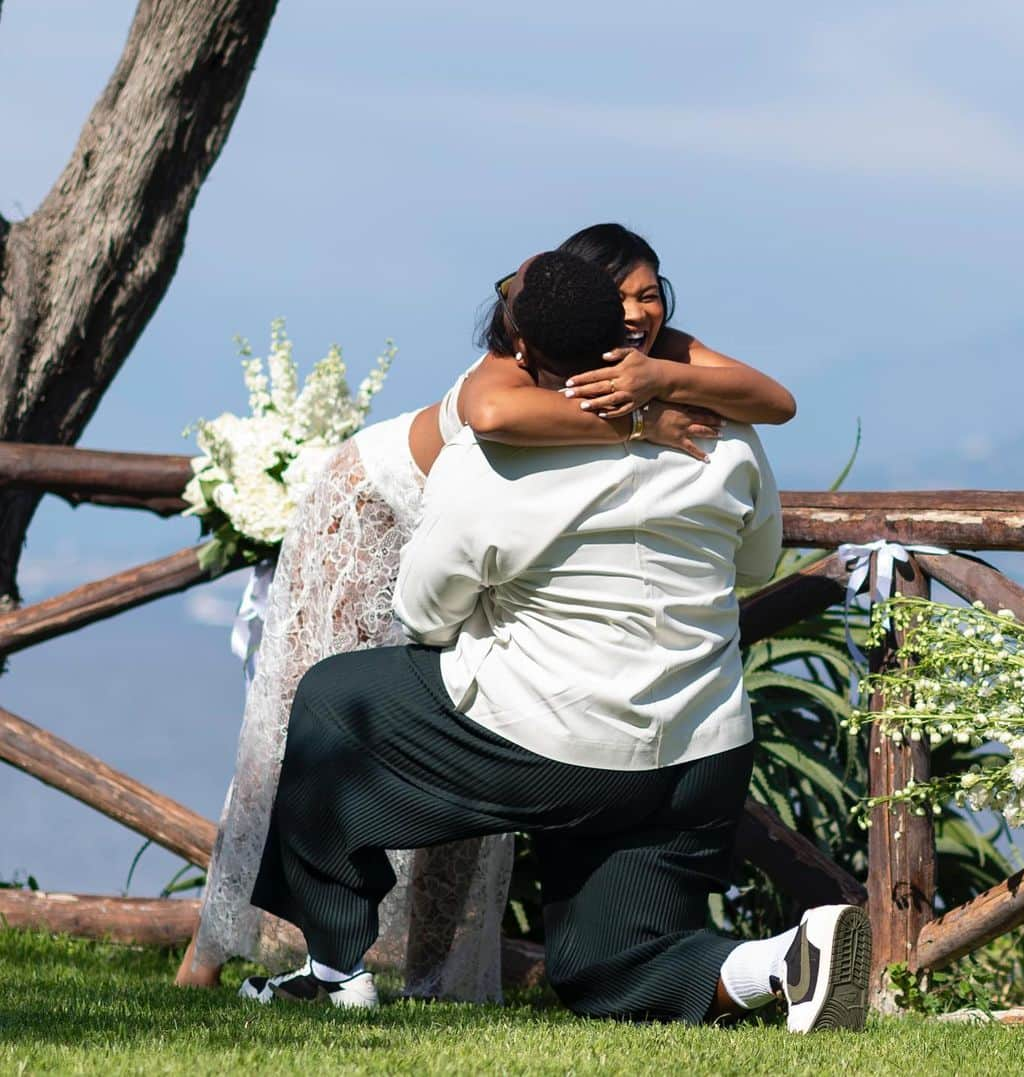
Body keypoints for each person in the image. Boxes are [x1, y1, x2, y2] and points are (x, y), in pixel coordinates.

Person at [239, 251, 871, 1030]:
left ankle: (334, 968)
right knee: (605, 969)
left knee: (336, 700)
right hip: (700, 755)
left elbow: (424, 613)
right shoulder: (726, 434)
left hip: (552, 750)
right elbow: (756, 559)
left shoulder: (488, 462)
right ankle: (781, 959)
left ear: (522, 352)